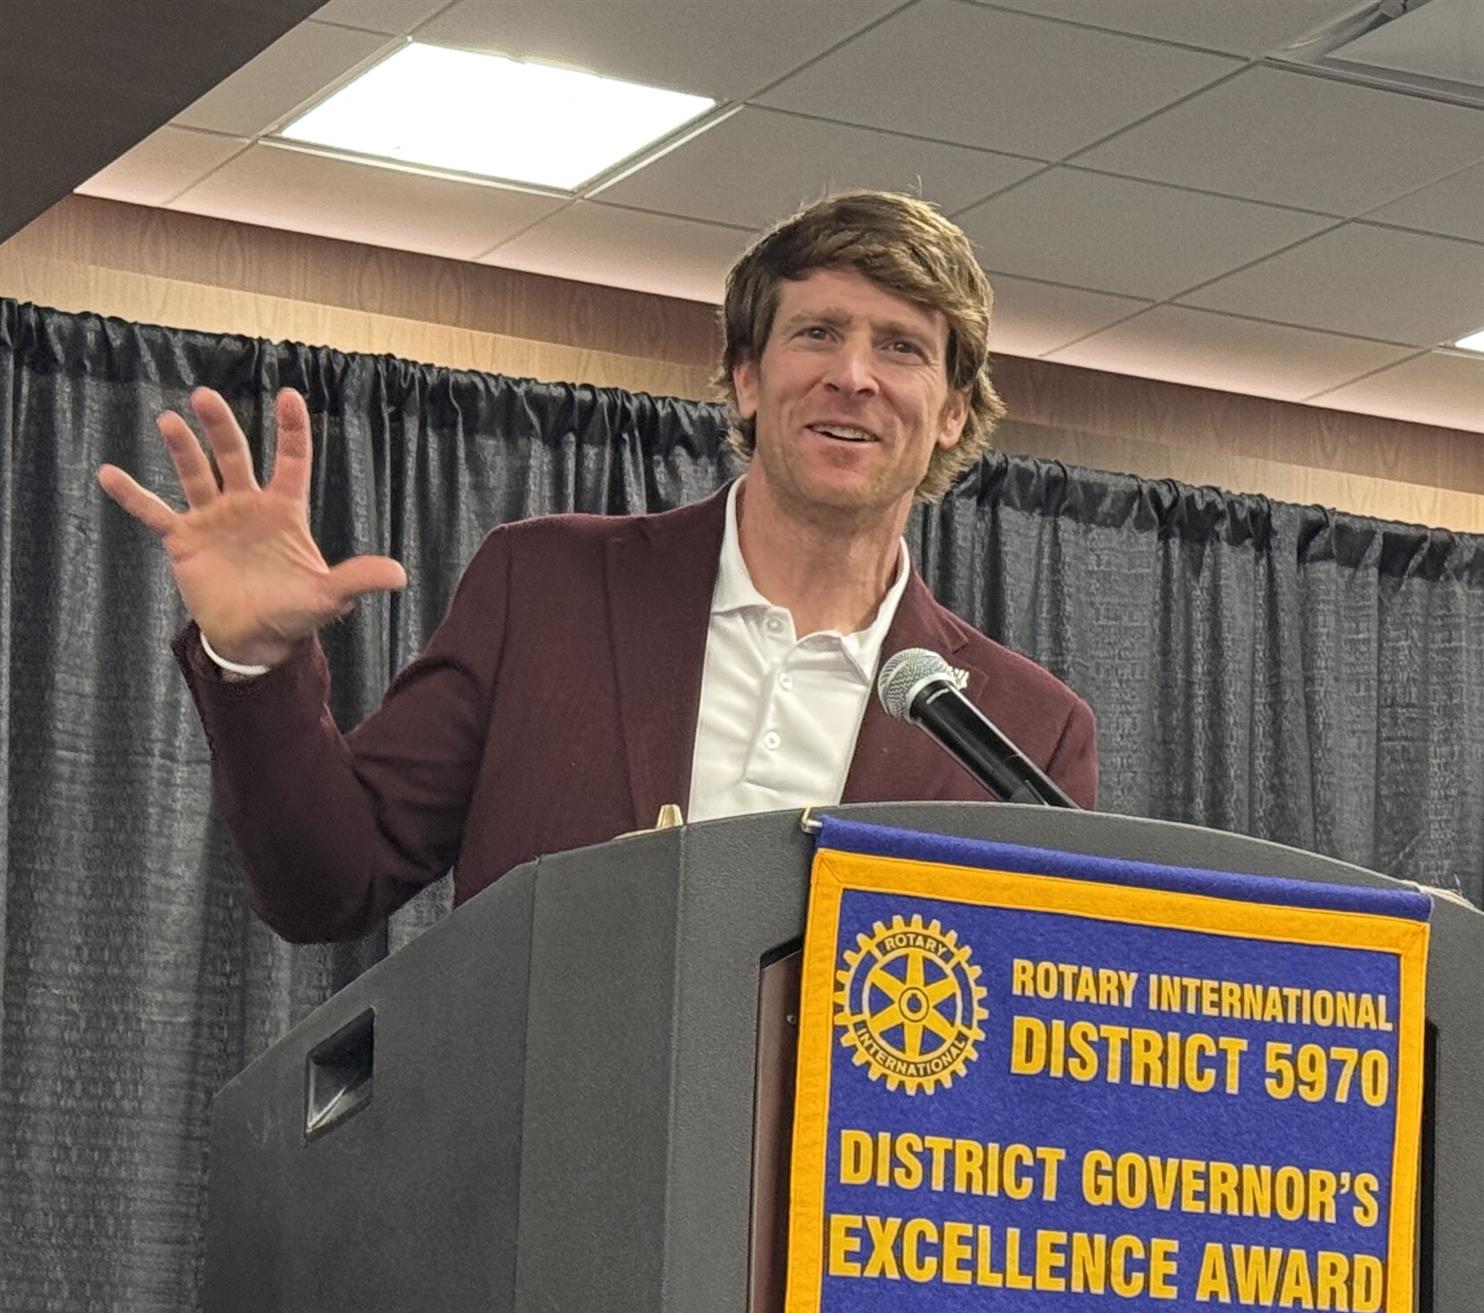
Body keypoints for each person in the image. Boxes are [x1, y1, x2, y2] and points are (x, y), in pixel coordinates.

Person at [98, 191, 1096, 943]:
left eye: (902, 348)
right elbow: (328, 885)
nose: (853, 376)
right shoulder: (547, 588)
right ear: (746, 379)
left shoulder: (1028, 729)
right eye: (817, 334)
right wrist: (256, 665)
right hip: (541, 1147)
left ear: (953, 412)